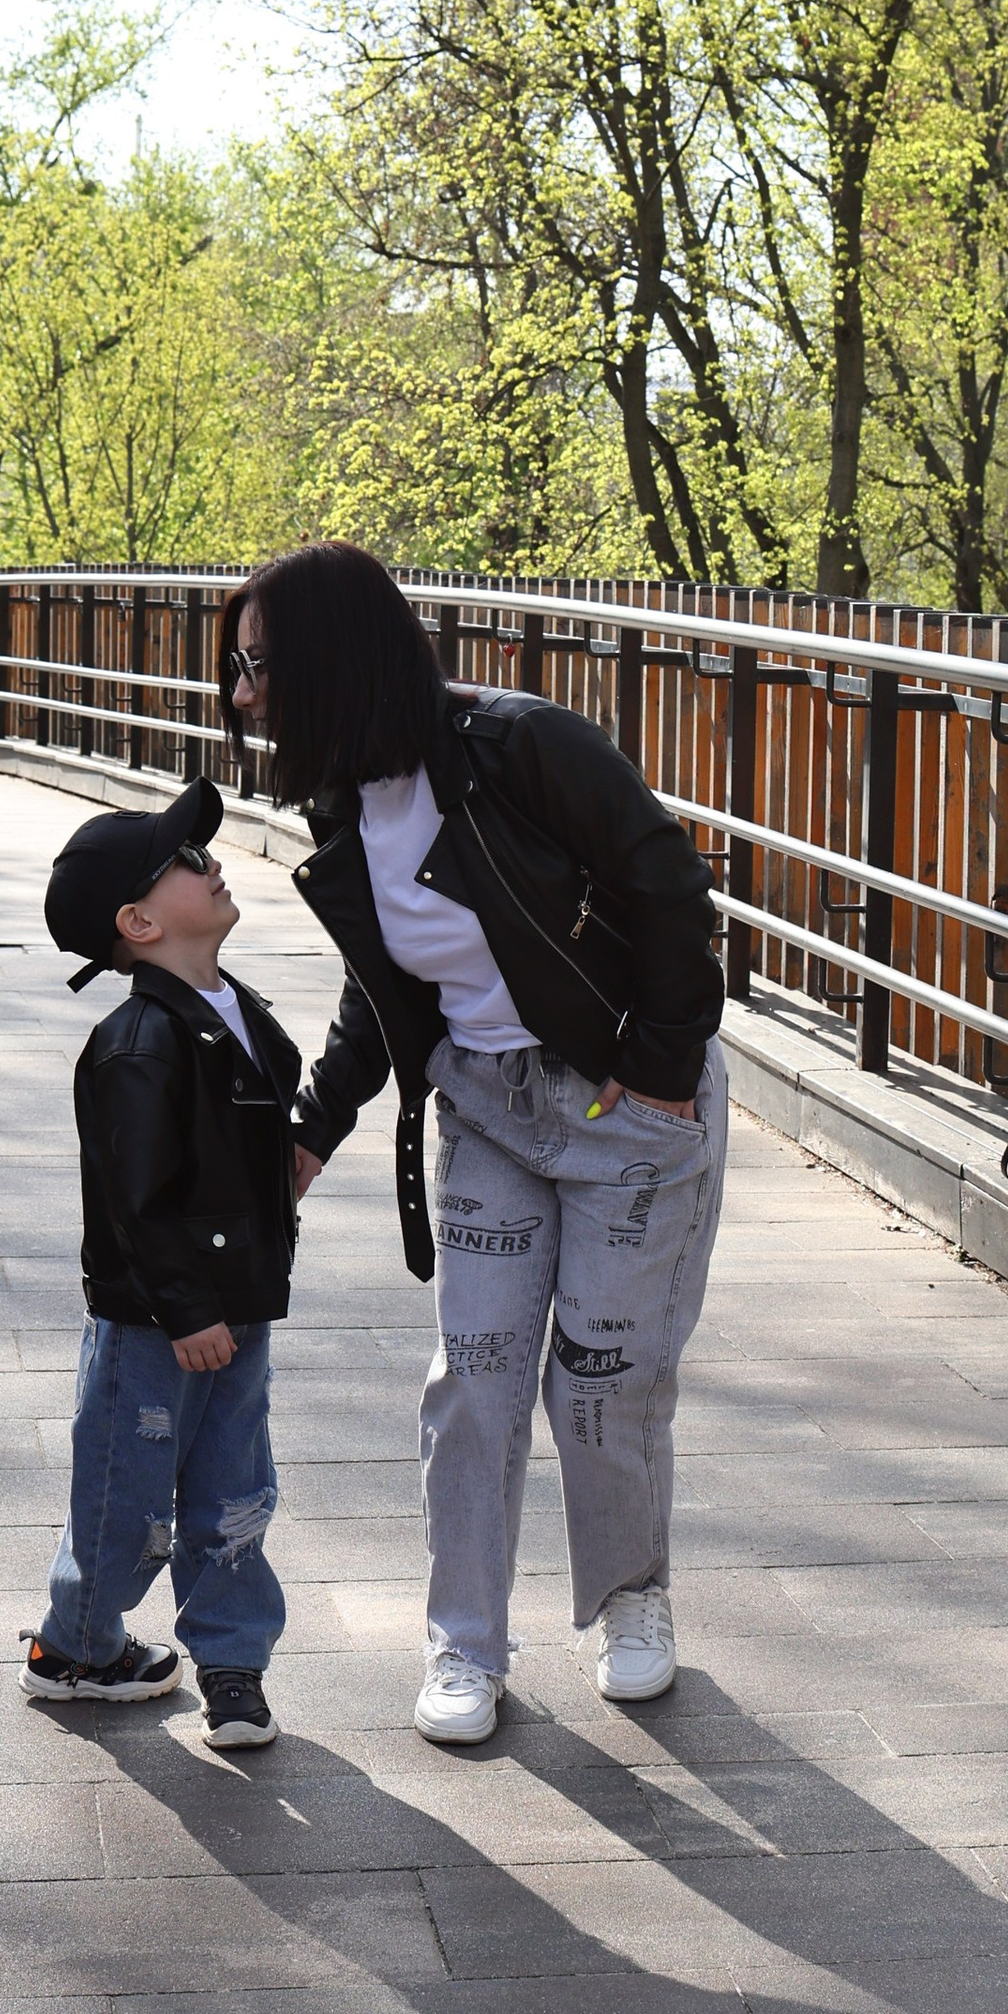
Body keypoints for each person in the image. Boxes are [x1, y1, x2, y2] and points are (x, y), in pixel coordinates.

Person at [234, 541, 726, 1748]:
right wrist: (314, 1129)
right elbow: (385, 989)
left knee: (602, 1383)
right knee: (475, 1382)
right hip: (489, 1111)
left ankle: (631, 1599)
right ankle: (464, 1642)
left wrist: (660, 1070)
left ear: (333, 661)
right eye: (237, 669)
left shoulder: (519, 747)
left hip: (622, 1111)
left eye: (258, 667)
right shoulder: (345, 803)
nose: (241, 695)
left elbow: (669, 888)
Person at [29, 777, 297, 1752]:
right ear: (138, 923)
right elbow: (131, 1199)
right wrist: (185, 1309)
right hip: (155, 1324)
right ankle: (76, 1646)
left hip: (239, 1307)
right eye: (183, 859)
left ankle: (233, 1665)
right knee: (126, 1498)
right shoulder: (136, 1042)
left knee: (234, 1491)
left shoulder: (235, 1009)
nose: (209, 861)